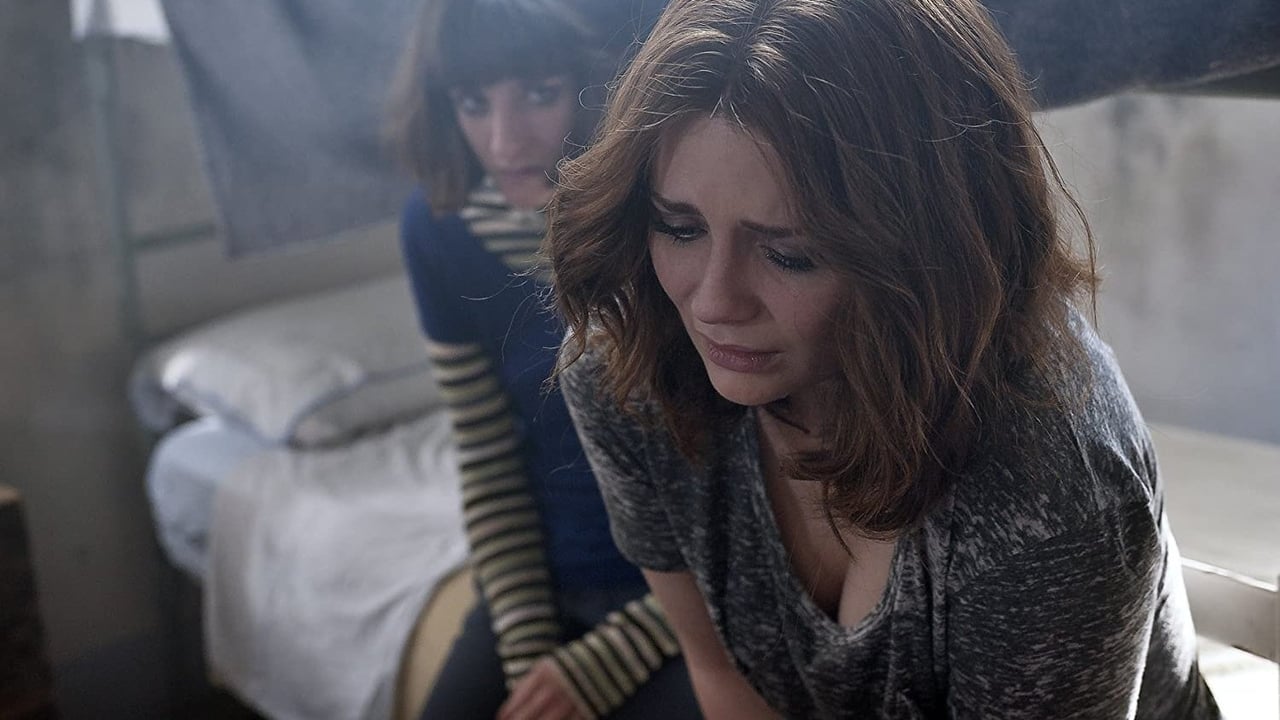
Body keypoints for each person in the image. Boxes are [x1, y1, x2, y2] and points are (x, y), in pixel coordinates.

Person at [544, 0, 1223, 717]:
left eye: (789, 254)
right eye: (679, 228)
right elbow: (721, 677)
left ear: (930, 249)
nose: (713, 303)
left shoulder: (1051, 491)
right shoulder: (631, 371)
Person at [387, 0, 698, 718]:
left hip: (687, 594)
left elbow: (748, 487)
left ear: (596, 84)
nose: (505, 141)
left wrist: (607, 661)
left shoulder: (670, 213)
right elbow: (488, 457)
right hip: (547, 580)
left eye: (538, 93)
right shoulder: (437, 230)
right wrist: (529, 652)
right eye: (473, 103)